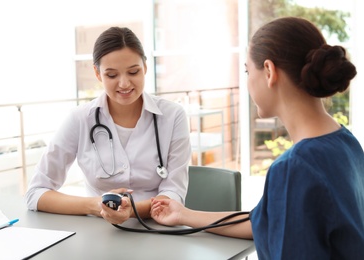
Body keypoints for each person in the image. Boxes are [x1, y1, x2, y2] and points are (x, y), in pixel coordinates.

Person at [151, 17, 364, 259]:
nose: (247, 81)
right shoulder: (346, 143)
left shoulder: (294, 168)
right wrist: (183, 215)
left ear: (270, 71)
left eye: (247, 70)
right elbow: (263, 220)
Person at [25, 27, 191, 224]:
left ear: (145, 67)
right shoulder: (80, 119)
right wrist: (96, 206)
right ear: (97, 73)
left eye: (133, 72)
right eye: (112, 75)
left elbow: (173, 192)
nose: (124, 84)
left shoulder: (173, 116)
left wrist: (130, 211)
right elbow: (36, 193)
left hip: (158, 228)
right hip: (100, 231)